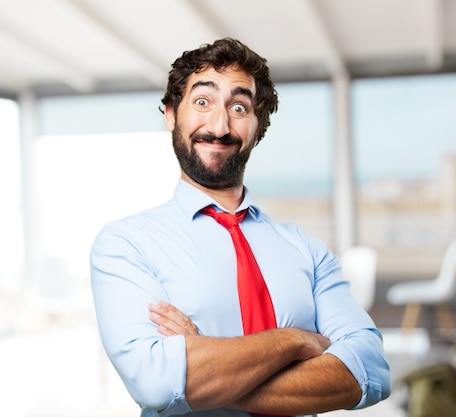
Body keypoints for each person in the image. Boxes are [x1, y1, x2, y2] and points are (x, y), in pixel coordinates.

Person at [90, 38, 390, 417]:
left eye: (238, 107)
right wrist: (295, 341)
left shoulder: (307, 250)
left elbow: (370, 372)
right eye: (202, 102)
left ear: (257, 126)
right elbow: (153, 383)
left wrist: (204, 364)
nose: (219, 125)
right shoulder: (126, 244)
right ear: (170, 115)